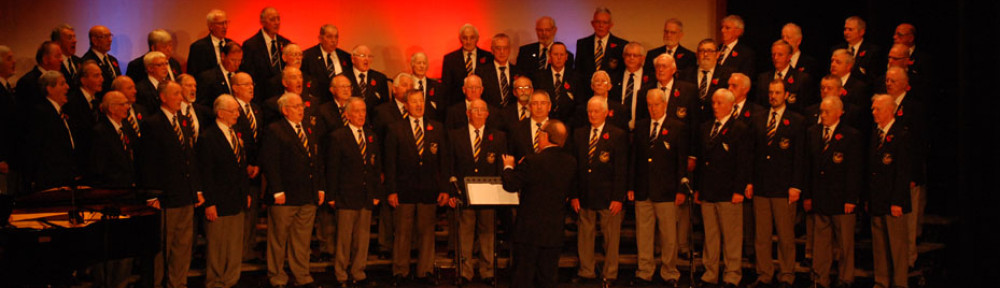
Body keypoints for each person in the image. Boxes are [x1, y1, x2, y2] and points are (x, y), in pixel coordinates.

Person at [138, 80, 203, 288]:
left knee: (182, 245)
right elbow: (147, 162)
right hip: (165, 196)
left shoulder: (183, 121)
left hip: (185, 195)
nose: (181, 98)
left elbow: (190, 158)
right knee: (162, 246)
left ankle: (178, 283)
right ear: (163, 97)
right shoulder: (152, 123)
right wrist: (151, 195)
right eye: (176, 94)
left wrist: (196, 190)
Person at [384, 89, 449, 286]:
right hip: (404, 190)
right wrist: (391, 190)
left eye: (421, 101)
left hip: (429, 191)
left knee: (427, 233)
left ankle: (425, 270)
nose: (419, 105)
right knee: (402, 233)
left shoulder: (436, 127)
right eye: (414, 102)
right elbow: (390, 163)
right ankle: (400, 271)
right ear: (406, 105)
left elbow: (444, 162)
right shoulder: (395, 128)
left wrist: (444, 189)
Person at [260, 93, 324, 288]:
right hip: (285, 195)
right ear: (285, 110)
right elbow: (270, 162)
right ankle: (277, 275)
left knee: (302, 239)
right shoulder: (275, 129)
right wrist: (277, 190)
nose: (301, 109)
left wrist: (320, 187)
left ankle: (302, 274)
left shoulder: (309, 129)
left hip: (307, 194)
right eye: (296, 106)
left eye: (301, 106)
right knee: (278, 239)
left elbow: (317, 161)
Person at [502, 119, 575, 288]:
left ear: (545, 136)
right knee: (547, 278)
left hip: (529, 232)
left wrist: (508, 167)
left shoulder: (532, 161)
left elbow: (511, 185)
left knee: (523, 277)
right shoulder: (570, 162)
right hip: (553, 231)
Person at [748, 79, 806, 288]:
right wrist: (750, 182)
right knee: (761, 235)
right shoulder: (758, 118)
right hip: (762, 186)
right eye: (771, 92)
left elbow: (799, 157)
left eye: (777, 92)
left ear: (786, 95)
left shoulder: (797, 121)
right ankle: (764, 273)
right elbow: (752, 153)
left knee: (785, 235)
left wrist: (796, 186)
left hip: (784, 188)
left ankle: (787, 274)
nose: (773, 96)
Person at [628, 88, 690, 287]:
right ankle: (644, 271)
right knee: (643, 234)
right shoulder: (640, 126)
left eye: (657, 104)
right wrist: (631, 186)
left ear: (664, 104)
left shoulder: (677, 127)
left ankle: (669, 271)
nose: (653, 108)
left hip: (667, 191)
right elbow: (634, 160)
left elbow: (682, 162)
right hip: (643, 189)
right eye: (650, 105)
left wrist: (681, 190)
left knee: (668, 236)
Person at [694, 88, 752, 288]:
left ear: (731, 105)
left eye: (719, 103)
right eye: (713, 103)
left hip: (728, 191)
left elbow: (743, 163)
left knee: (731, 236)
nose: (715, 107)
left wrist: (738, 190)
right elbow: (702, 162)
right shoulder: (706, 127)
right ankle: (711, 273)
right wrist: (698, 189)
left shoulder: (740, 128)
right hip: (708, 190)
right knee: (711, 235)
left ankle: (732, 275)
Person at [569, 96, 628, 286]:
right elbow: (574, 167)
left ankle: (610, 273)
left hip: (609, 196)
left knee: (611, 238)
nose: (592, 114)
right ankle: (586, 271)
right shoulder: (578, 134)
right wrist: (574, 194)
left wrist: (618, 197)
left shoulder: (617, 135)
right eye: (590, 111)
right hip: (584, 195)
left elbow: (621, 169)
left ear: (605, 112)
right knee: (584, 236)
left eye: (596, 111)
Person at [446, 98, 506, 284]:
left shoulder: (498, 136)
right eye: (475, 110)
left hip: (488, 196)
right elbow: (450, 166)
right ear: (467, 113)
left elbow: (500, 168)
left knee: (488, 233)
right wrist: (452, 192)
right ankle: (464, 272)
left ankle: (487, 271)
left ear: (488, 114)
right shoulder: (456, 135)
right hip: (464, 195)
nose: (478, 113)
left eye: (482, 110)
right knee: (464, 234)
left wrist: (498, 193)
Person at [805, 96, 861, 288]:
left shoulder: (850, 135)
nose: (823, 115)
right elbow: (809, 167)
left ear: (839, 113)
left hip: (841, 198)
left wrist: (851, 198)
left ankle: (845, 278)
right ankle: (820, 278)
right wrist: (809, 196)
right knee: (821, 242)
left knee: (845, 242)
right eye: (821, 111)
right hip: (820, 197)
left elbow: (854, 171)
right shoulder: (813, 132)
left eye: (827, 111)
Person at [326, 97, 383, 287]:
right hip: (345, 195)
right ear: (347, 114)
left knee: (362, 237)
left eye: (363, 111)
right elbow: (332, 169)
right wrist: (332, 196)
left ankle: (358, 271)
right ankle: (341, 273)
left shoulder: (371, 136)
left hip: (366, 195)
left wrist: (376, 194)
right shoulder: (338, 136)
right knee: (344, 238)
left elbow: (375, 168)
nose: (361, 115)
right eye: (357, 111)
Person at [197, 95, 252, 288]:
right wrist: (209, 202)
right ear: (221, 113)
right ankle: (216, 282)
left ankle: (231, 280)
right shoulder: (208, 137)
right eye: (234, 111)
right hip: (218, 202)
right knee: (218, 247)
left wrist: (245, 192)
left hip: (236, 199)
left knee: (234, 245)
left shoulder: (234, 133)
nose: (238, 114)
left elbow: (240, 166)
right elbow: (206, 173)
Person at [87, 90, 137, 288]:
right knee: (109, 247)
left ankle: (121, 283)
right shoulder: (100, 132)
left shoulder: (126, 129)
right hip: (110, 199)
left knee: (126, 246)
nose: (128, 107)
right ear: (111, 108)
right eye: (123, 104)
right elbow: (97, 169)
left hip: (129, 197)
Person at [869, 94, 912, 288]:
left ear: (888, 110)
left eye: (877, 109)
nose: (873, 112)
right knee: (879, 247)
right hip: (878, 200)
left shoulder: (901, 135)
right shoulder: (875, 134)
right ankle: (881, 282)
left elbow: (903, 173)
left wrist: (897, 202)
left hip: (893, 202)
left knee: (897, 247)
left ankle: (900, 283)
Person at [25, 71, 81, 191]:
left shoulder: (63, 113)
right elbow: (38, 148)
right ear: (50, 89)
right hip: (51, 181)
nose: (67, 87)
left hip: (66, 178)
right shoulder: (40, 114)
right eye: (62, 84)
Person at [241, 7, 292, 102]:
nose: (277, 22)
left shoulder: (285, 43)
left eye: (278, 19)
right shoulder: (251, 45)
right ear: (262, 21)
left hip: (284, 96)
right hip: (261, 97)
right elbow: (249, 73)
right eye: (272, 19)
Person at [755, 40, 816, 113]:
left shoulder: (801, 79)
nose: (776, 58)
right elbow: (758, 106)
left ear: (789, 57)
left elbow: (804, 108)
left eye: (780, 55)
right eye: (773, 54)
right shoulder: (763, 78)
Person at [441, 24, 494, 107]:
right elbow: (446, 89)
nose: (468, 41)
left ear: (477, 39)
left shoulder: (488, 57)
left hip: (483, 106)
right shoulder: (450, 59)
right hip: (458, 107)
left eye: (472, 38)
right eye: (465, 38)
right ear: (460, 39)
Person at [302, 24, 352, 102]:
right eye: (329, 37)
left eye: (336, 37)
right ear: (320, 38)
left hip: (341, 103)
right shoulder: (308, 56)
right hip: (318, 102)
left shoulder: (345, 57)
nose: (333, 40)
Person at [575, 7, 628, 81]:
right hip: (586, 90)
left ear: (611, 25)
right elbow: (578, 71)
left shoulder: (621, 45)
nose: (601, 26)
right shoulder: (582, 44)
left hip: (611, 90)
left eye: (605, 22)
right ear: (592, 24)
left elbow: (622, 73)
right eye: (597, 22)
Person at [531, 42, 578, 123]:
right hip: (545, 123)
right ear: (549, 55)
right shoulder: (539, 77)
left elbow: (579, 104)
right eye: (556, 54)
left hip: (569, 125)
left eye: (561, 54)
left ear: (566, 57)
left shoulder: (576, 78)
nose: (559, 58)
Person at [609, 42, 651, 131]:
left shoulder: (651, 79)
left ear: (643, 58)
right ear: (623, 56)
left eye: (635, 55)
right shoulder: (614, 77)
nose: (631, 58)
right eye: (628, 55)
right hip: (617, 129)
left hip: (642, 129)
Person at [188, 9, 235, 77]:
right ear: (211, 26)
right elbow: (193, 73)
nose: (225, 27)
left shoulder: (232, 44)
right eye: (221, 23)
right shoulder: (198, 47)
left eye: (226, 22)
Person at [345, 45, 389, 115]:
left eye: (369, 56)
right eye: (362, 56)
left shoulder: (380, 78)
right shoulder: (344, 78)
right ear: (353, 59)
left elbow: (385, 105)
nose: (367, 59)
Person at [196, 42, 243, 107]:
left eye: (239, 60)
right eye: (233, 60)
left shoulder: (241, 76)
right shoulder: (208, 77)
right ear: (223, 56)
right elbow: (202, 106)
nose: (236, 64)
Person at [477, 34, 517, 109]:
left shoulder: (518, 71)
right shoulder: (481, 72)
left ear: (509, 50)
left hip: (512, 117)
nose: (502, 52)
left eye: (505, 48)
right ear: (492, 50)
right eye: (498, 48)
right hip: (490, 116)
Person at [509, 90, 552, 160]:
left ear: (549, 106)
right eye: (535, 103)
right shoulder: (516, 128)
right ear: (529, 107)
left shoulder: (558, 128)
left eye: (543, 103)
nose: (539, 107)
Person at [81, 25, 121, 93]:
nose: (110, 40)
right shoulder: (87, 61)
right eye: (105, 36)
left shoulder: (113, 60)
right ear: (94, 40)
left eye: (110, 36)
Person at [410, 52, 446, 120]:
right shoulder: (407, 84)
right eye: (419, 63)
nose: (422, 66)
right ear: (412, 65)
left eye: (424, 63)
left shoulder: (437, 86)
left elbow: (442, 111)